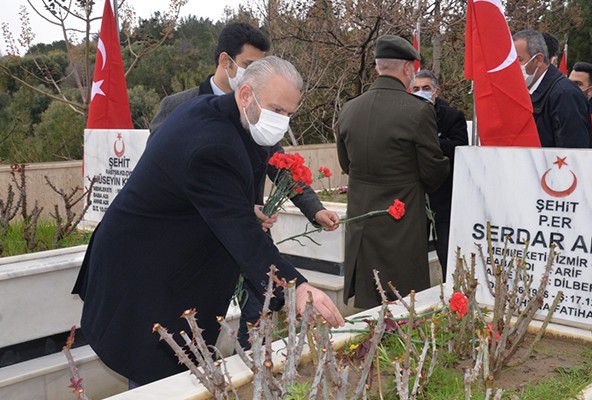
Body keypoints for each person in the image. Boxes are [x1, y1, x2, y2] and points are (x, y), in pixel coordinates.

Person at [72, 57, 345, 387]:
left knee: (173, 372)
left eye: (289, 114)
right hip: (145, 280)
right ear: (246, 94)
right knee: (159, 378)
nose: (282, 122)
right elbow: (242, 236)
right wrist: (298, 287)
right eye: (276, 110)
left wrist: (243, 207)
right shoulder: (212, 143)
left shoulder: (216, 111)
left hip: (159, 263)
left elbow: (210, 195)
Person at [336, 35, 449, 309]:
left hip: (362, 215)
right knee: (403, 297)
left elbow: (345, 164)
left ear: (377, 67)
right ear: (409, 69)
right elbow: (433, 170)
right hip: (402, 218)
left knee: (370, 296)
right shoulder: (418, 111)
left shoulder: (349, 109)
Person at [410, 69, 468, 281]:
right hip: (415, 195)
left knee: (446, 249)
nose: (421, 92)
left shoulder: (453, 116)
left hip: (445, 196)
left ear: (437, 91)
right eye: (416, 89)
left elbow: (460, 148)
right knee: (413, 253)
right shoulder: (406, 115)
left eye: (426, 88)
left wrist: (431, 140)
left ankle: (452, 291)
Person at [513, 29, 592, 148]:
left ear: (538, 60)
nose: (513, 67)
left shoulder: (565, 94)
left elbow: (572, 151)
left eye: (518, 60)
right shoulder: (528, 91)